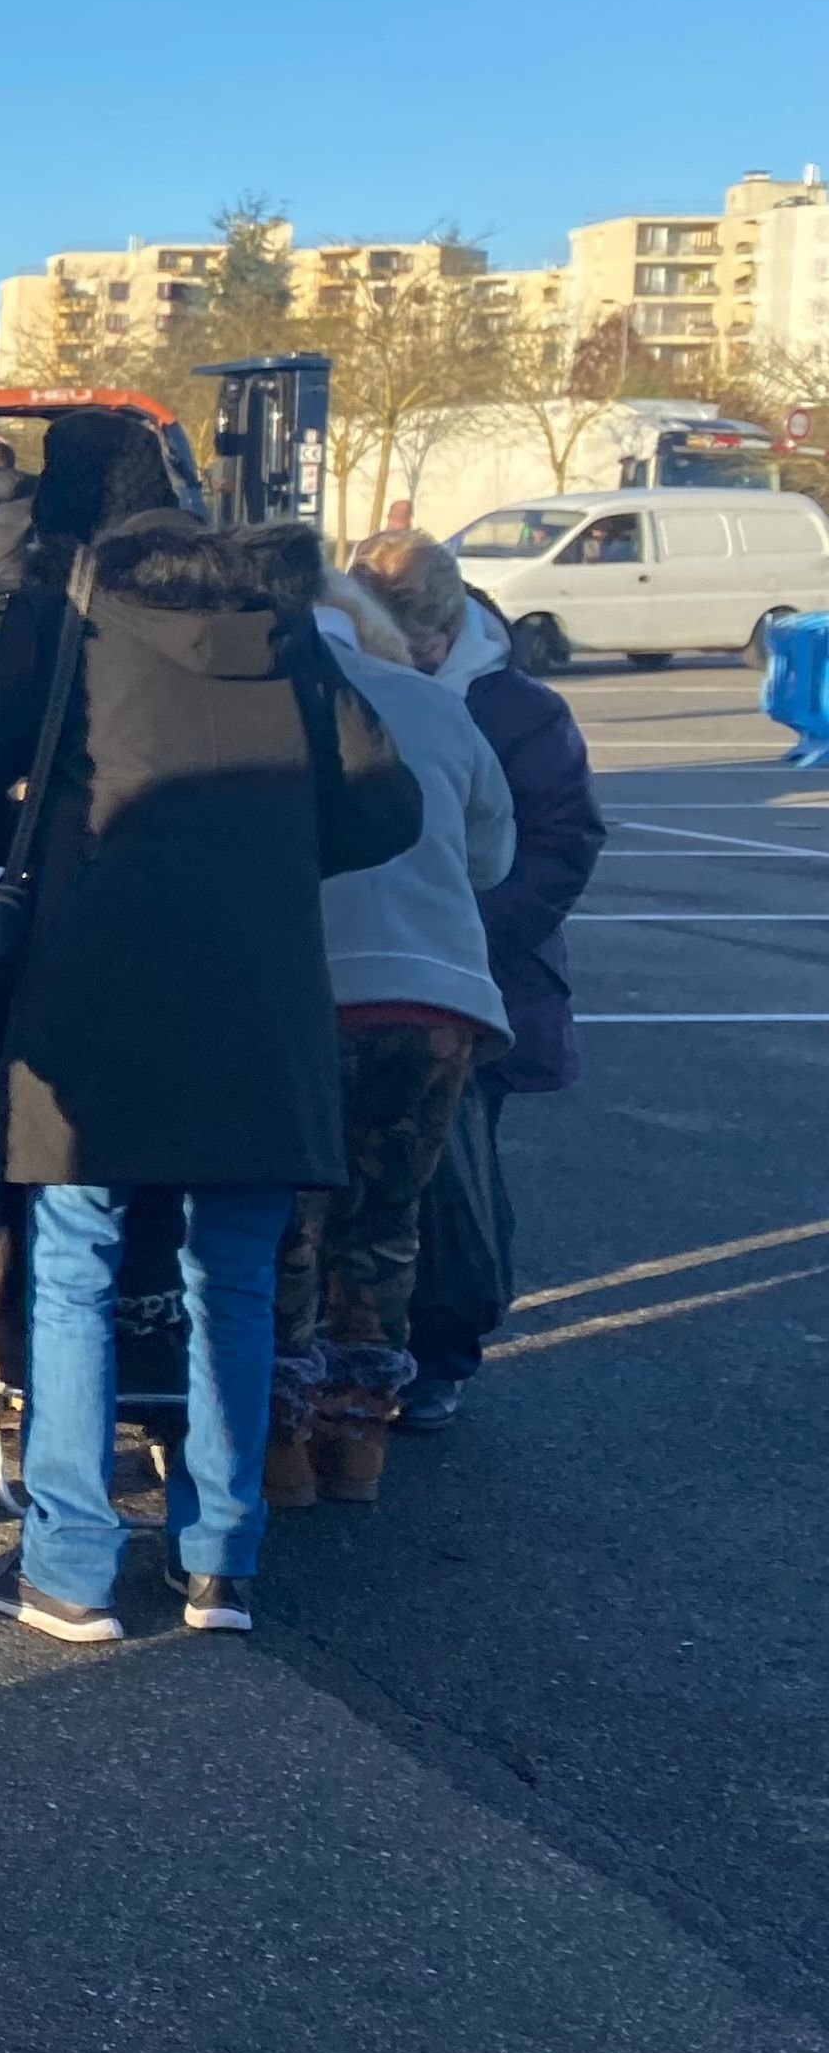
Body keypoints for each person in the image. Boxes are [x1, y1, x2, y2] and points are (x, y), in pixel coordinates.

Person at [0, 509, 420, 1640]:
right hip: (259, 999)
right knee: (234, 1281)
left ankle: (71, 1564)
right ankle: (220, 1563)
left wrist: (59, 837)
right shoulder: (283, 628)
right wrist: (265, 854)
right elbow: (389, 806)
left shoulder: (67, 621)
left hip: (96, 988)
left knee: (78, 1268)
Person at [266, 573, 514, 1503]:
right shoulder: (438, 708)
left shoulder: (259, 707)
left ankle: (275, 1442)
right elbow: (493, 858)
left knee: (288, 1220)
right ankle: (358, 1439)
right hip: (436, 1004)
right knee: (386, 1222)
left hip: (308, 996)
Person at [354, 528, 605, 1427]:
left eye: (423, 640)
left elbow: (559, 843)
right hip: (403, 972)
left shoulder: (516, 710)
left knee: (448, 1189)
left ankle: (440, 1356)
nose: (412, 656)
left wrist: (468, 932)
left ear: (453, 621)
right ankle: (369, 1367)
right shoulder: (370, 687)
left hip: (476, 979)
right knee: (379, 1192)